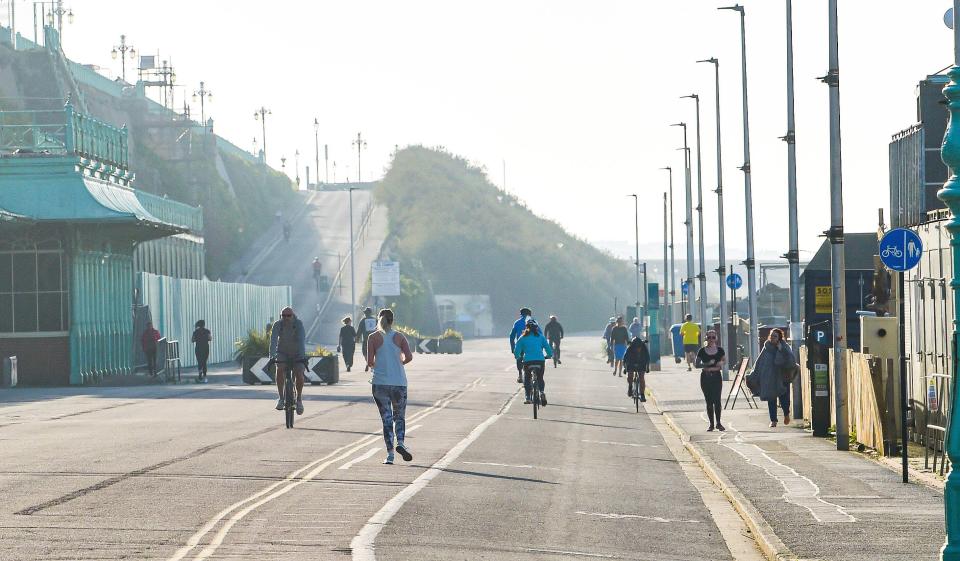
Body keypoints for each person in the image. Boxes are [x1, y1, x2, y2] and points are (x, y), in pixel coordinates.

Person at [366, 308, 414, 465]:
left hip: (380, 384)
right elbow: (409, 357)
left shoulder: (372, 338)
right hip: (399, 382)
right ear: (392, 321)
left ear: (378, 320)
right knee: (399, 417)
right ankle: (400, 443)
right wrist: (398, 363)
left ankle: (390, 455)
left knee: (386, 419)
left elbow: (370, 362)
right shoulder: (400, 337)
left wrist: (379, 365)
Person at [754, 328, 796, 428]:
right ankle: (773, 420)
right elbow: (760, 361)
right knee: (771, 398)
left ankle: (786, 413)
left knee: (784, 399)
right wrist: (754, 373)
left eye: (775, 336)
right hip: (770, 377)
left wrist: (780, 350)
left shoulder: (785, 347)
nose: (772, 338)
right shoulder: (766, 347)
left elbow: (791, 361)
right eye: (771, 336)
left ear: (779, 338)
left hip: (782, 377)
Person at [270, 307, 307, 415]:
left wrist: (302, 356)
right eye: (283, 315)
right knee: (280, 368)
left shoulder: (298, 324)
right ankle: (281, 398)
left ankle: (299, 399)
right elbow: (273, 340)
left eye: (288, 315)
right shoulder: (278, 324)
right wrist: (272, 356)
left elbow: (301, 340)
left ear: (293, 315)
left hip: (297, 353)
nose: (286, 318)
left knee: (299, 373)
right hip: (282, 352)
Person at [513, 318, 553, 405]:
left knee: (527, 378)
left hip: (527, 361)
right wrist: (549, 355)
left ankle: (528, 397)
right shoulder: (541, 337)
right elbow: (548, 348)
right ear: (536, 328)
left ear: (526, 327)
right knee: (540, 378)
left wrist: (518, 356)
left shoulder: (522, 337)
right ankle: (542, 392)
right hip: (540, 360)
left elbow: (517, 351)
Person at [695, 330, 726, 431]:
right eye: (709, 337)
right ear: (706, 339)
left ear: (716, 338)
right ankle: (711, 424)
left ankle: (719, 423)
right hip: (706, 377)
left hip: (716, 377)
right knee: (709, 401)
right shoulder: (702, 350)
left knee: (717, 400)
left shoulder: (720, 350)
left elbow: (724, 360)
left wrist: (720, 363)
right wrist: (707, 363)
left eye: (713, 337)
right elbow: (697, 364)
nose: (711, 339)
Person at [509, 307, 533, 383]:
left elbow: (512, 336)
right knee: (533, 358)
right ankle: (534, 373)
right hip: (531, 344)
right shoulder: (534, 322)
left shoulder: (517, 322)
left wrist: (513, 347)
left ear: (521, 314)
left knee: (519, 358)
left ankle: (520, 375)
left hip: (520, 344)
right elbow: (540, 334)